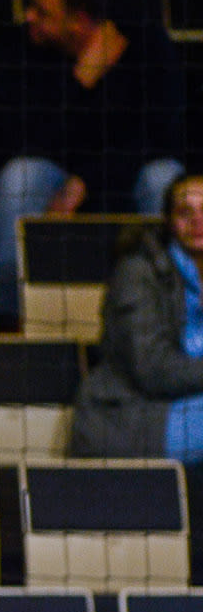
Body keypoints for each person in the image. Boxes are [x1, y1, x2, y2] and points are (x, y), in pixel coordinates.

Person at [0, 0, 186, 331]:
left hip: (129, 166)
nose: (29, 16)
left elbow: (160, 134)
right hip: (61, 166)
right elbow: (29, 137)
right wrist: (81, 80)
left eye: (42, 11)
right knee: (20, 178)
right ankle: (10, 318)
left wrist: (87, 181)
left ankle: (174, 313)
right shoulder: (25, 48)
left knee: (164, 179)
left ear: (78, 20)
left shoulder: (145, 42)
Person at [72, 173, 203, 585]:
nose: (197, 221)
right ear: (168, 220)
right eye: (185, 211)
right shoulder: (138, 271)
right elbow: (152, 369)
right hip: (134, 415)